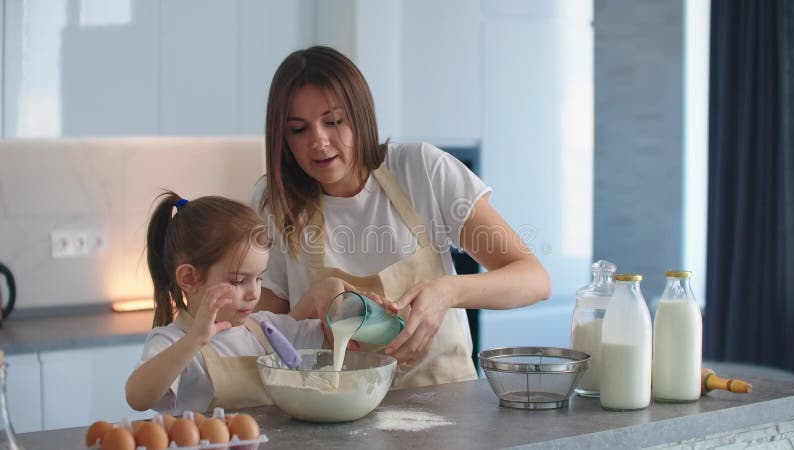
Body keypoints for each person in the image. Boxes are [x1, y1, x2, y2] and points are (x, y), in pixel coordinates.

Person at [254, 45, 551, 388]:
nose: (319, 141)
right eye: (298, 129)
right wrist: (310, 302)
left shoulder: (421, 170)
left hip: (445, 403)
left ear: (360, 115)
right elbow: (266, 336)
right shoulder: (275, 202)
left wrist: (448, 292)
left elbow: (533, 279)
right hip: (333, 408)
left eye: (334, 121)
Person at [126, 192, 338, 413]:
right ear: (189, 278)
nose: (254, 293)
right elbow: (138, 398)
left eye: (259, 278)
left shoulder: (268, 329)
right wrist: (195, 340)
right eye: (238, 281)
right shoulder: (172, 341)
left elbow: (335, 341)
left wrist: (343, 303)